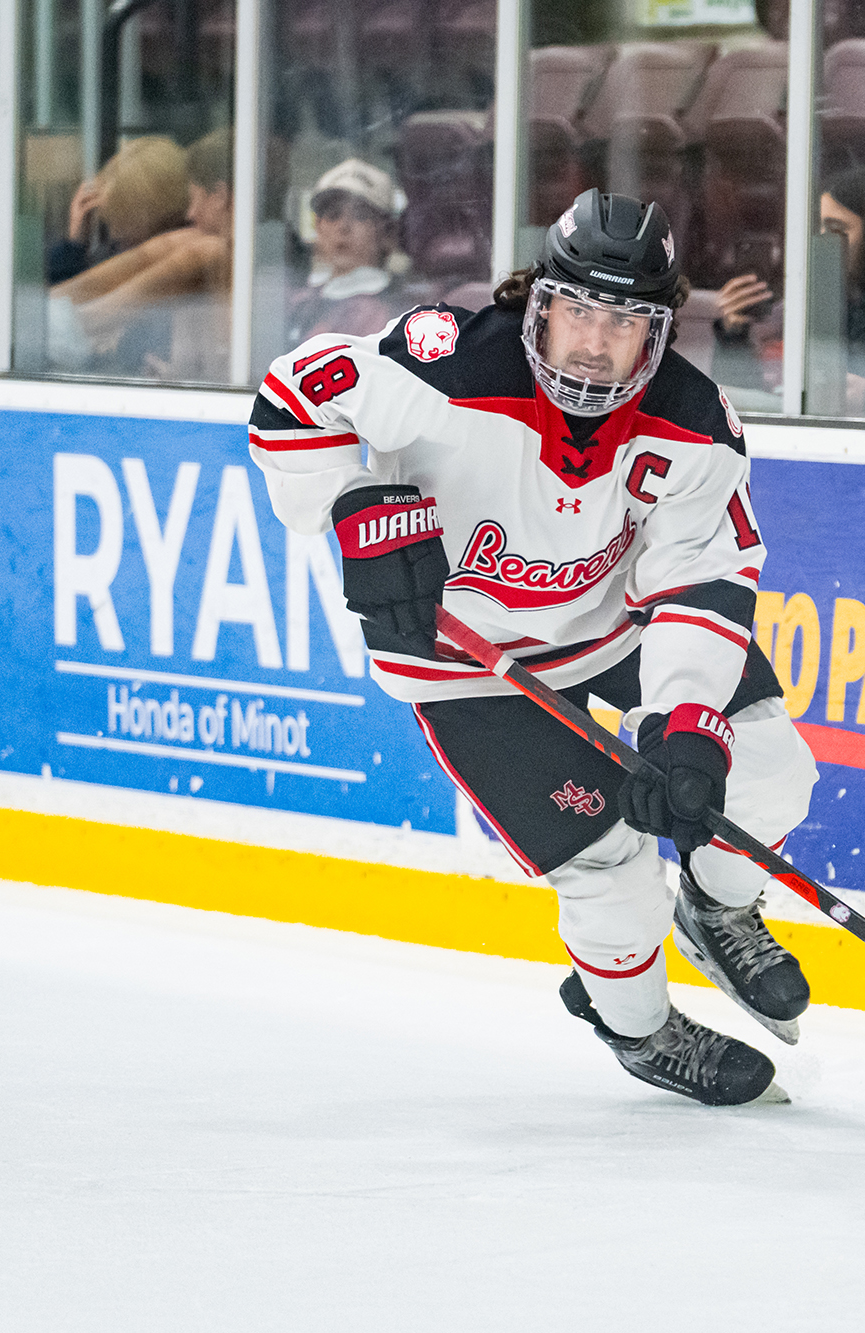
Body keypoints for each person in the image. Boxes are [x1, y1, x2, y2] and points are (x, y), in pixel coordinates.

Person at [247, 189, 820, 1108]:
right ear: (538, 304)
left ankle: (718, 906)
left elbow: (702, 583)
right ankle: (639, 1028)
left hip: (610, 621)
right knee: (610, 873)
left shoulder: (695, 421)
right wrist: (349, 503)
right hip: (466, 663)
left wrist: (683, 725)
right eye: (578, 314)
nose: (595, 344)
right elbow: (290, 402)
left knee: (767, 770)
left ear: (661, 334)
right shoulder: (446, 365)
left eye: (624, 323)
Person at [709, 167, 865, 402]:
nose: (821, 242)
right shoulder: (801, 309)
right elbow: (746, 409)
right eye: (817, 230)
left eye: (836, 230)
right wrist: (734, 335)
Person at [49, 129, 236, 379]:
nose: (116, 244)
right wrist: (73, 246)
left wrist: (42, 323)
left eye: (125, 233)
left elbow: (79, 324)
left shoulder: (199, 255)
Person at [284, 157, 409, 346]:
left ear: (387, 232)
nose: (343, 227)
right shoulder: (298, 301)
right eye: (333, 216)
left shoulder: (394, 314)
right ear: (318, 227)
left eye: (360, 216)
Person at [47, 136, 190, 285]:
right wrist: (75, 241)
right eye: (108, 225)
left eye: (125, 237)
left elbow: (70, 299)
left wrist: (71, 251)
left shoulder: (178, 271)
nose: (114, 235)